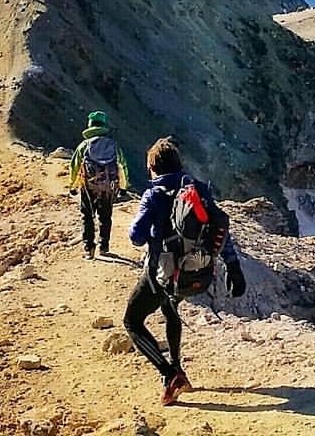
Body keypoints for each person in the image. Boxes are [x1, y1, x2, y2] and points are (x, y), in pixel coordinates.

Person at [124, 136, 246, 406]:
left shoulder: (153, 195)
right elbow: (220, 228)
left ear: (153, 168)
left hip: (162, 274)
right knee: (170, 310)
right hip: (195, 272)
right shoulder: (198, 189)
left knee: (132, 321)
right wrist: (233, 265)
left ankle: (169, 375)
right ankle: (178, 367)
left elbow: (136, 237)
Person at [69, 110, 130, 258]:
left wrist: (73, 186)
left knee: (87, 216)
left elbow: (75, 167)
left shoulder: (84, 146)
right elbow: (122, 167)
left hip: (88, 186)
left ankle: (89, 248)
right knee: (105, 216)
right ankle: (104, 246)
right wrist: (123, 187)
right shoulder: (113, 145)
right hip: (108, 187)